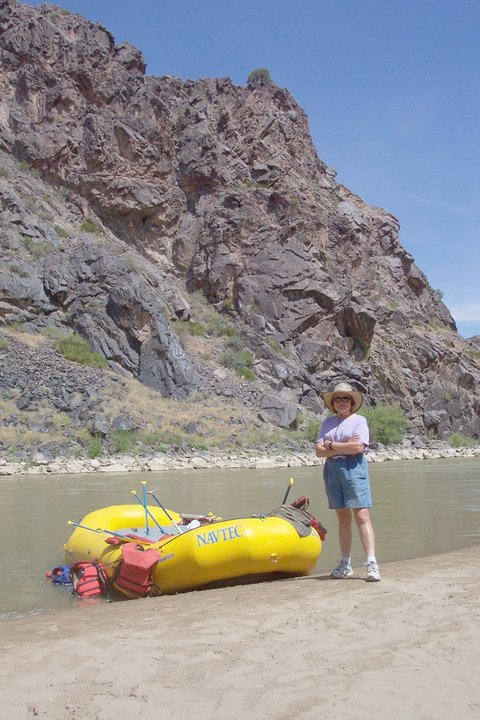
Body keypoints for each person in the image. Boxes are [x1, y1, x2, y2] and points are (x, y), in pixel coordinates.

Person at [314, 382, 380, 582]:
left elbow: (358, 448)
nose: (341, 402)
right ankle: (345, 564)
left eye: (345, 398)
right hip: (332, 469)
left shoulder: (359, 421)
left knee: (361, 515)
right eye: (337, 399)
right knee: (343, 518)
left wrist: (331, 445)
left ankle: (372, 563)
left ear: (352, 402)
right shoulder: (327, 423)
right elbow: (318, 452)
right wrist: (345, 445)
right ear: (333, 403)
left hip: (354, 467)